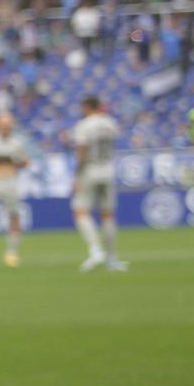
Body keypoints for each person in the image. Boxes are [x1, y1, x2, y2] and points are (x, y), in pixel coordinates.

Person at [69, 97, 126, 272]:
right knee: (108, 214)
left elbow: (82, 151)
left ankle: (96, 249)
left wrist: (76, 176)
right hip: (108, 169)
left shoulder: (84, 125)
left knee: (80, 211)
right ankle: (112, 258)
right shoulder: (110, 123)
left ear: (87, 107)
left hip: (90, 170)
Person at [0, 112, 31, 268]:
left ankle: (12, 252)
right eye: (3, 125)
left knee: (14, 216)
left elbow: (25, 162)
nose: (5, 128)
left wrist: (16, 161)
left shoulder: (17, 142)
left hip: (11, 180)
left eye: (8, 125)